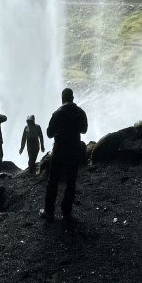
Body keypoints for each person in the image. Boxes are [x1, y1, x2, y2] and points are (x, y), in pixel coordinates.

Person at [41, 87, 88, 223]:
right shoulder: (80, 112)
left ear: (62, 99)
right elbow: (84, 130)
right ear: (72, 98)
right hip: (74, 150)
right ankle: (67, 213)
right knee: (71, 182)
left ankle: (49, 212)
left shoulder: (57, 113)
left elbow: (49, 133)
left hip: (59, 150)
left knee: (53, 181)